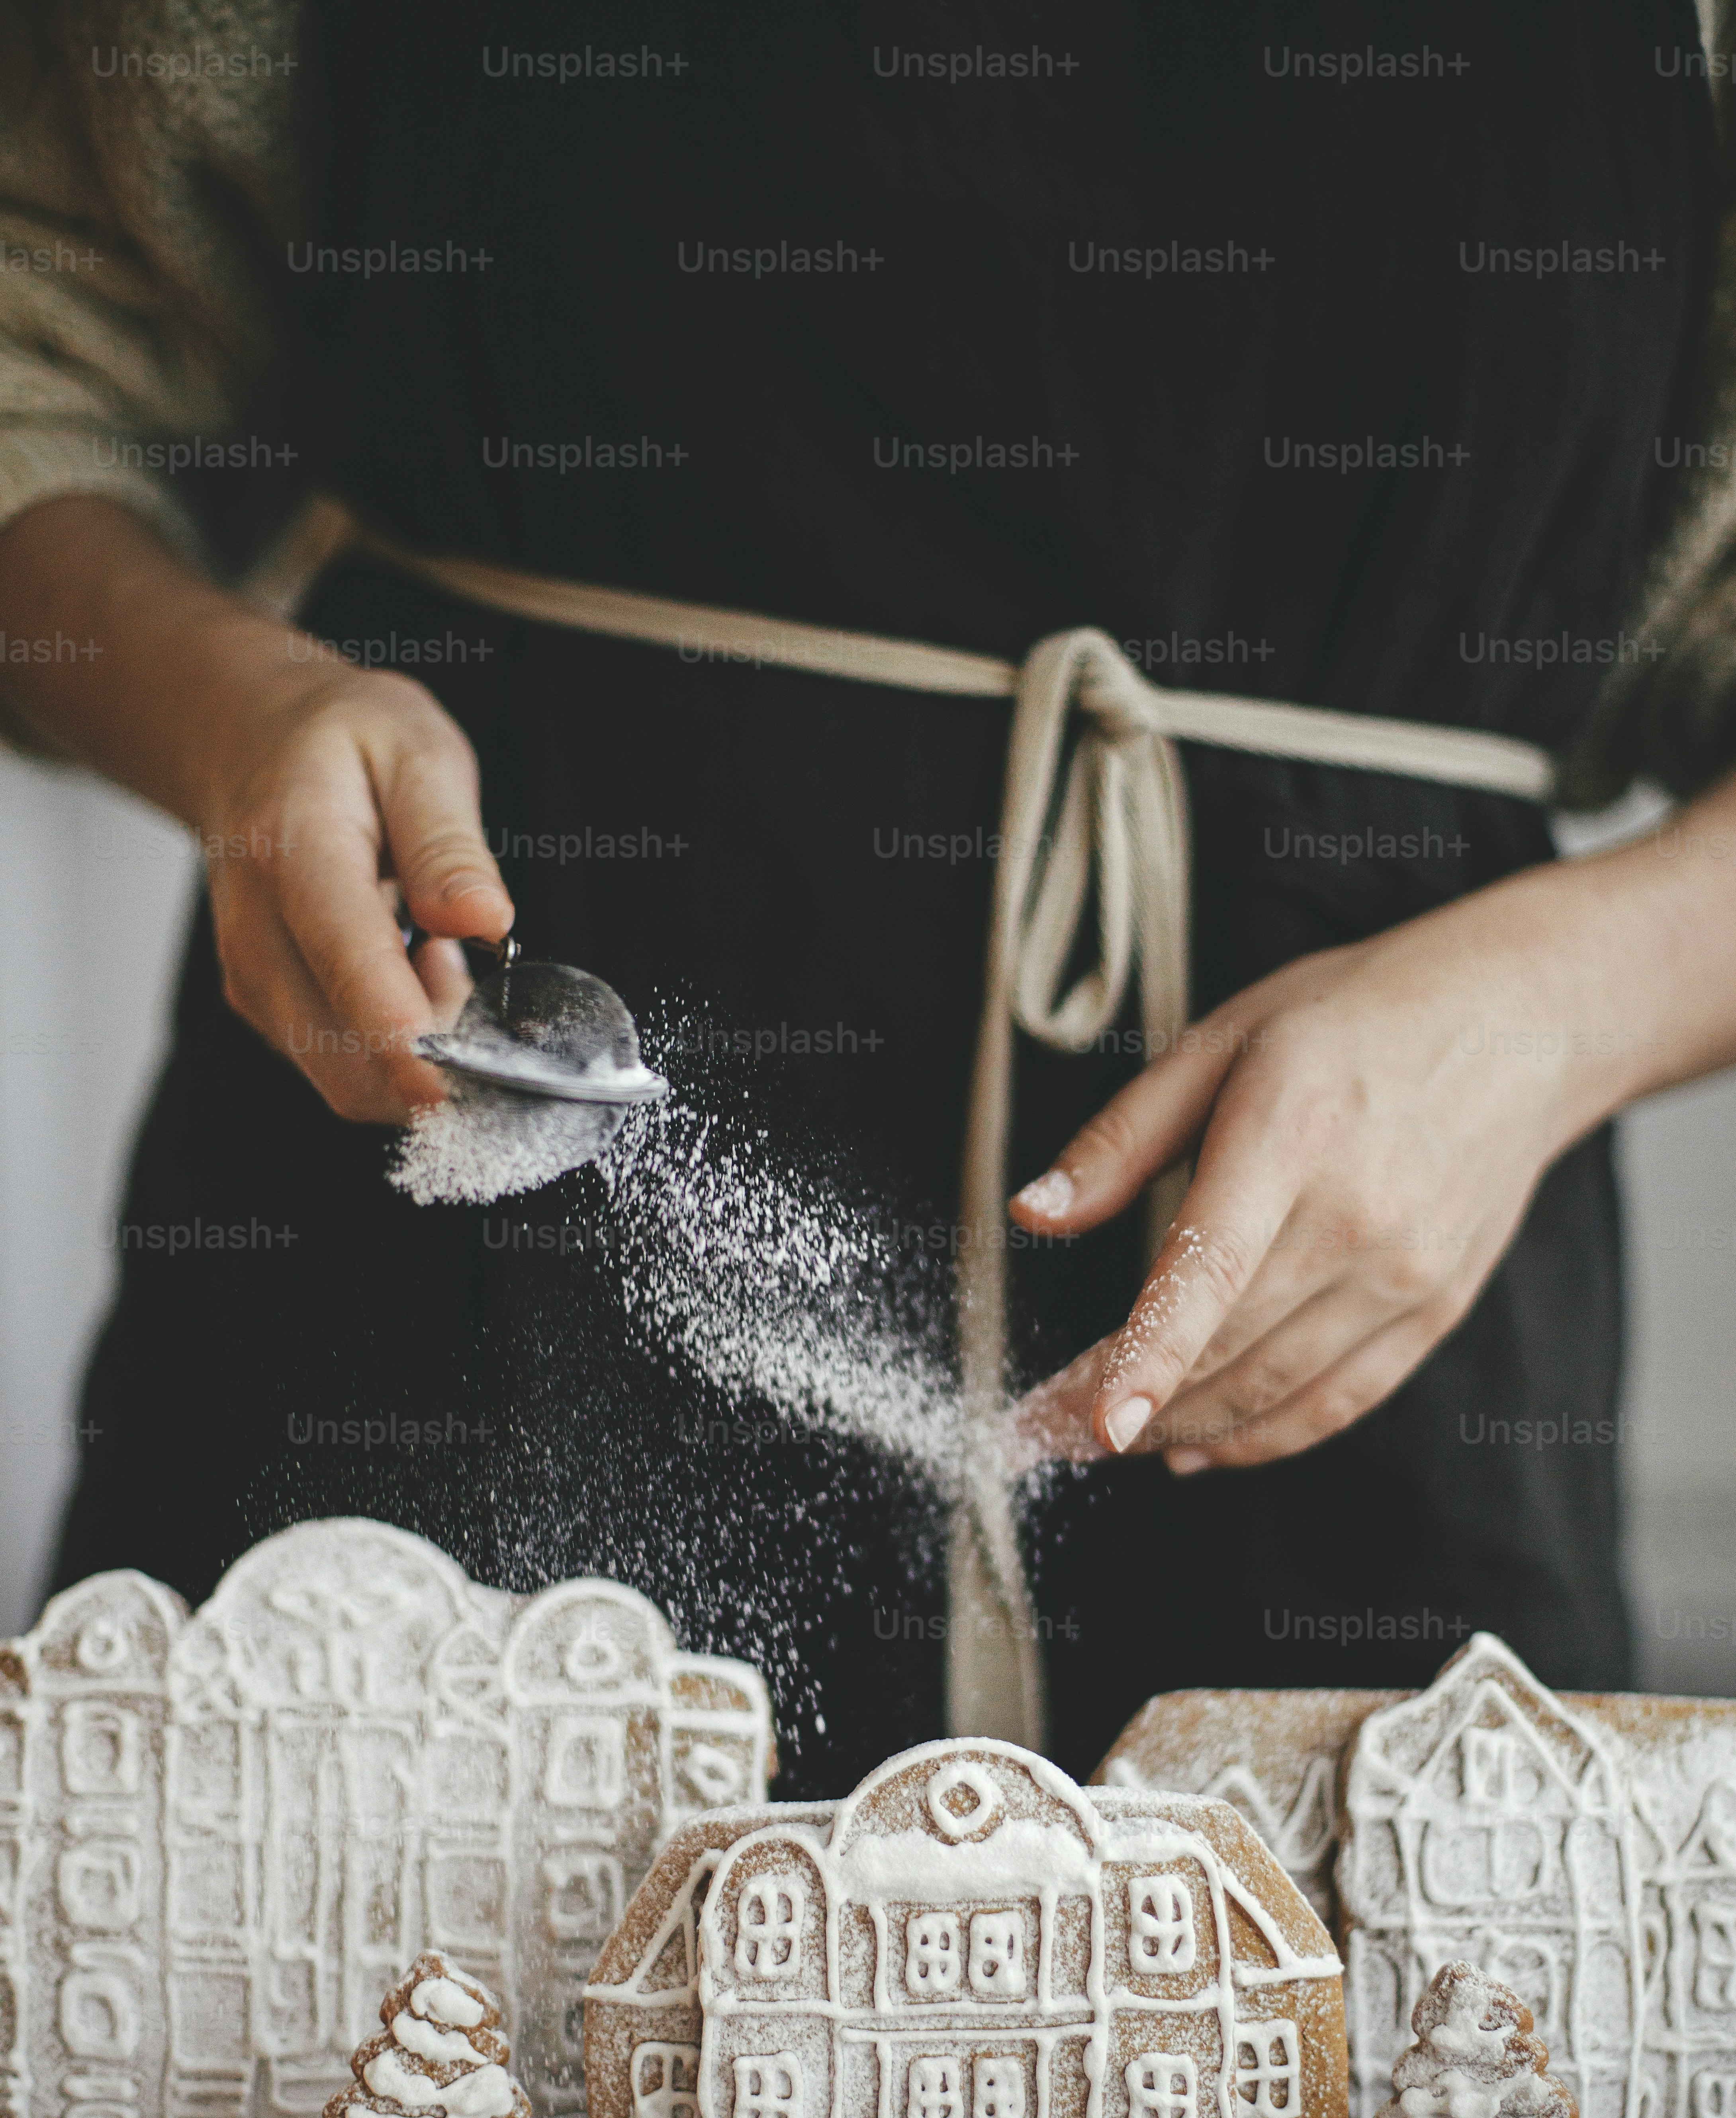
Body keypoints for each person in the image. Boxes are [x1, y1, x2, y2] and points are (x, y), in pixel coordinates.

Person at [4, 5, 1736, 1791]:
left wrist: (1555, 1012)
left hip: (1351, 1345)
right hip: (448, 1244)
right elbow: (41, 363)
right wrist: (235, 717)